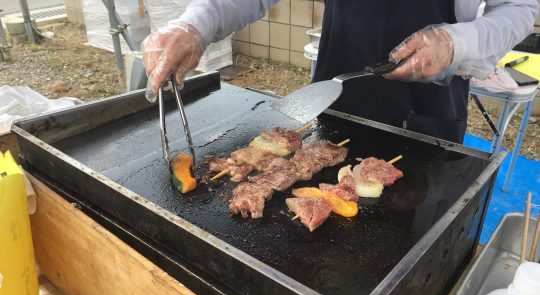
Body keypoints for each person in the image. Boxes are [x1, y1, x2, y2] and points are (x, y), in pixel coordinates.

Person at [142, 0, 538, 143]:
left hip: (428, 107)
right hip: (335, 90)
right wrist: (194, 24)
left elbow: (522, 8)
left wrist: (458, 43)